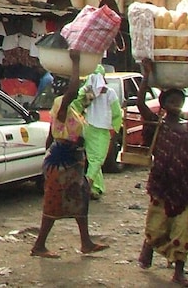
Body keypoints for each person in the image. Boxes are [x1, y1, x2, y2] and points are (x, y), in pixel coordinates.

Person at [136, 60, 188, 287]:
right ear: (164, 104)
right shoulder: (156, 125)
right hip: (162, 185)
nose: (176, 103)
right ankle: (149, 245)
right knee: (156, 227)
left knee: (183, 230)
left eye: (179, 100)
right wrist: (147, 75)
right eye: (171, 100)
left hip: (187, 187)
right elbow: (139, 103)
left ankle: (179, 271)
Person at [30, 52, 108, 258]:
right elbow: (73, 90)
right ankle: (39, 246)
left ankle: (86, 242)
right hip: (63, 161)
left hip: (68, 160)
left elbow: (50, 134)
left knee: (80, 199)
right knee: (55, 203)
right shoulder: (62, 105)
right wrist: (75, 63)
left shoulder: (65, 109)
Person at [81, 65, 122, 199]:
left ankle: (96, 187)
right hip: (101, 130)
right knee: (98, 159)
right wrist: (116, 127)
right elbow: (116, 112)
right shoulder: (110, 93)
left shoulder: (87, 93)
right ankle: (86, 185)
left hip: (89, 127)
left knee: (93, 159)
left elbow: (79, 104)